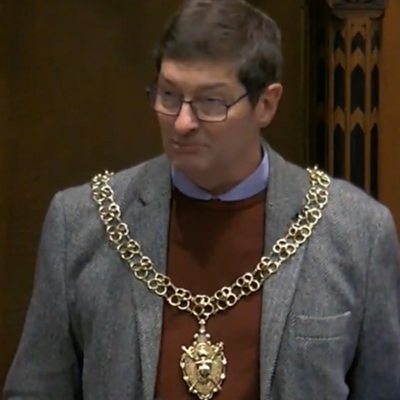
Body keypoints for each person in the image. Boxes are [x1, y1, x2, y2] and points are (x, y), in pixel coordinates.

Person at [4, 0, 400, 399]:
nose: (182, 122)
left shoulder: (355, 231)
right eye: (169, 95)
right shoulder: (84, 221)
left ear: (266, 104)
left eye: (211, 102)